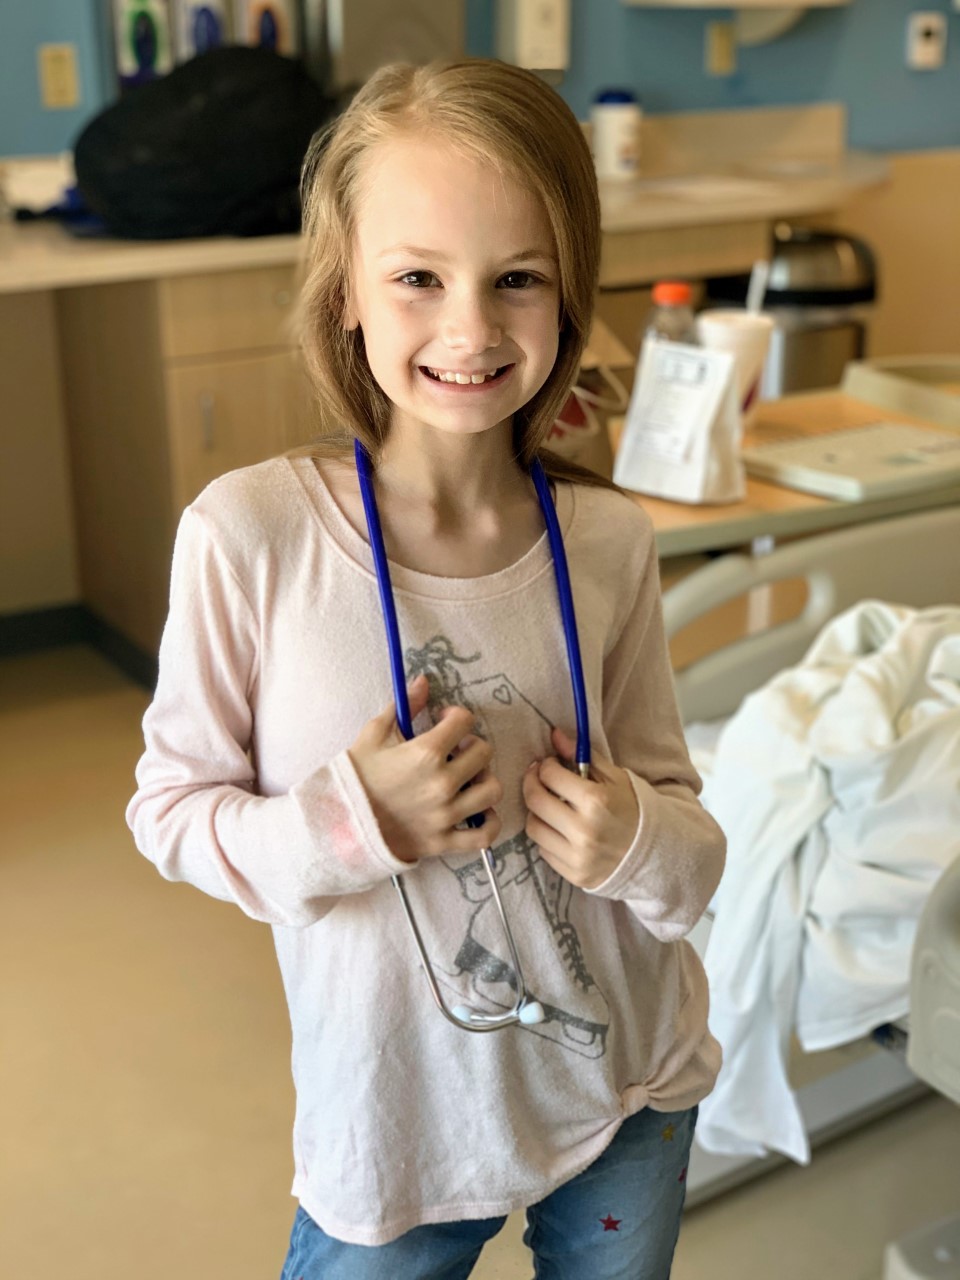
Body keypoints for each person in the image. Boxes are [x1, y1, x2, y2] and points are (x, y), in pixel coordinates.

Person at [126, 57, 726, 1280]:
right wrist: (351, 825)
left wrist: (630, 840)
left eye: (518, 279)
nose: (469, 328)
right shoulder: (250, 538)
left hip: (632, 1088)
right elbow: (171, 813)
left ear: (569, 293)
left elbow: (690, 845)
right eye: (416, 278)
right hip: (398, 1128)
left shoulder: (607, 539)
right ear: (345, 288)